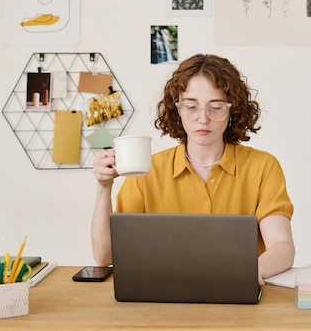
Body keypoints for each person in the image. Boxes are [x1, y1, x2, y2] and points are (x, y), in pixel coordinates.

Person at [91, 54, 295, 286]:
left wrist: (251, 271)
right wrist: (103, 187)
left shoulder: (263, 167)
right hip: (162, 296)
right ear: (177, 109)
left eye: (216, 107)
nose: (203, 119)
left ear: (233, 110)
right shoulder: (147, 171)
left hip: (239, 293)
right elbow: (104, 257)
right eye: (191, 106)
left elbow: (282, 247)